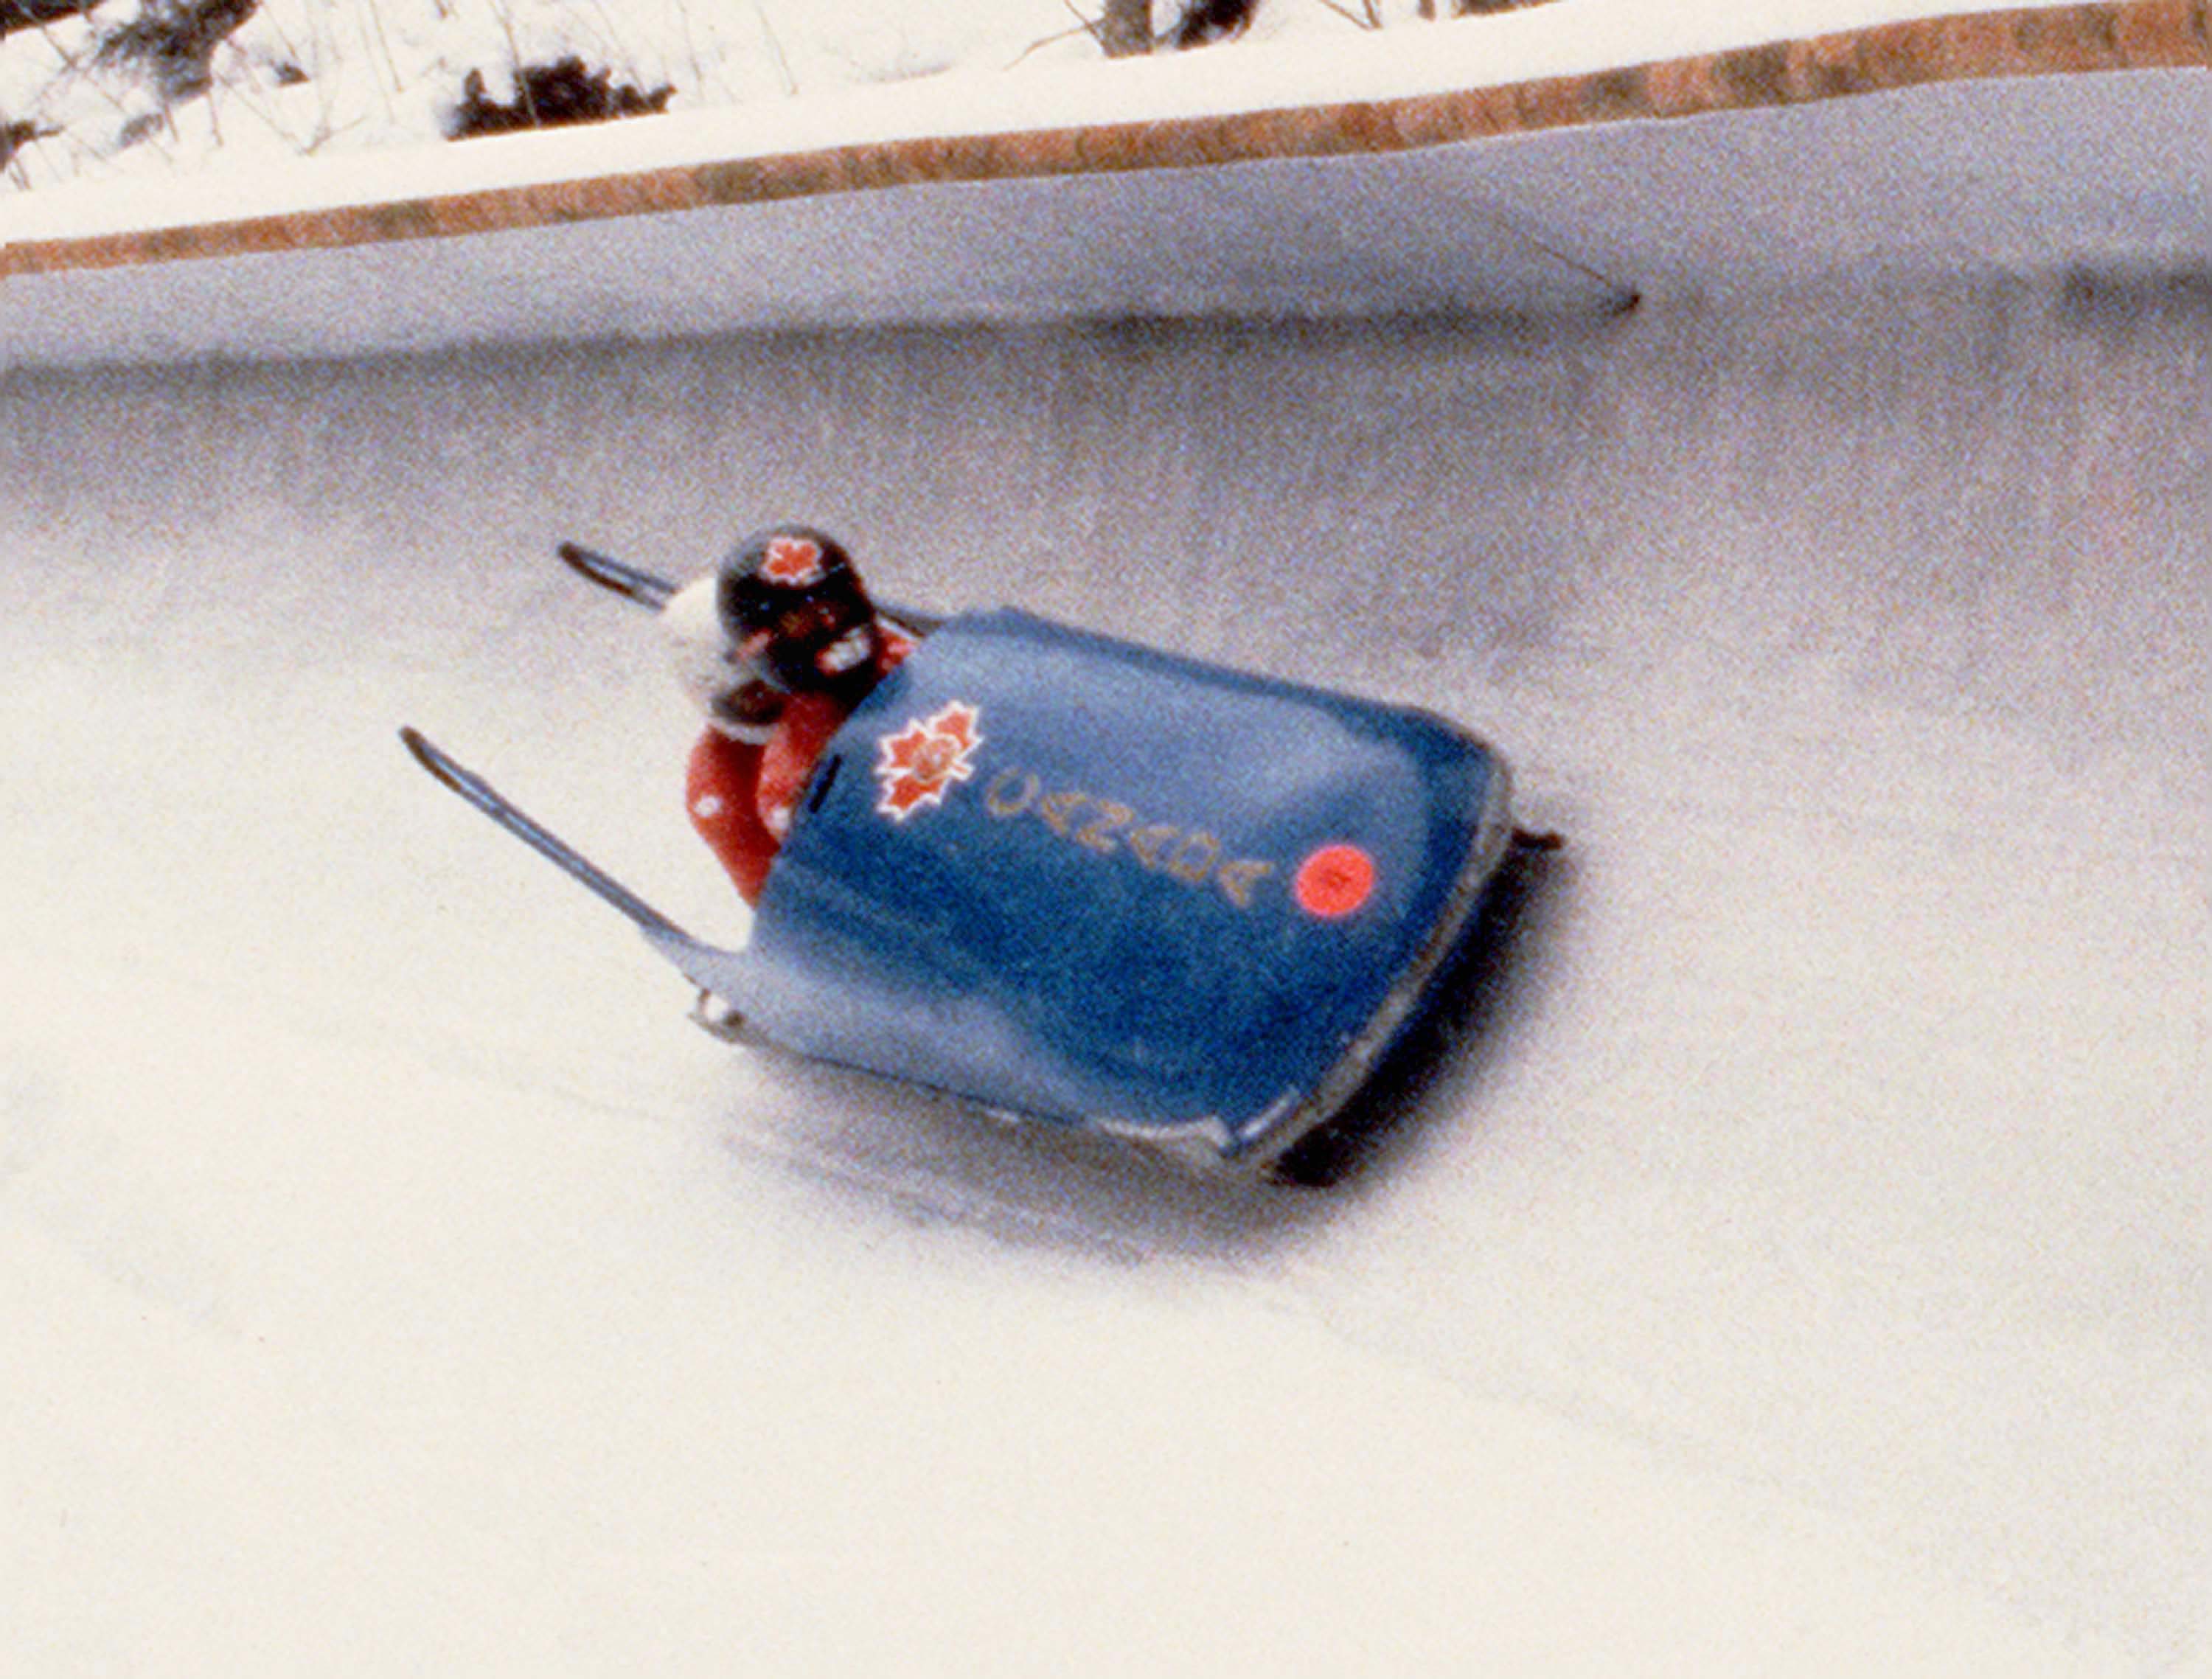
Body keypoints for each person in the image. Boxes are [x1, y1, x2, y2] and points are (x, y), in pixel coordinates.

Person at [659, 524, 911, 907]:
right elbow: (790, 914)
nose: (782, 704)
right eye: (757, 697)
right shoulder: (722, 790)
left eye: (777, 684)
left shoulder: (849, 665)